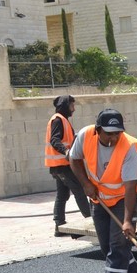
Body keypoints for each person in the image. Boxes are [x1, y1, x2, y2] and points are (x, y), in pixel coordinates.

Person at [70, 109, 137, 273]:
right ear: (98, 130)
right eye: (109, 133)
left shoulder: (127, 147)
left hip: (122, 199)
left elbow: (130, 186)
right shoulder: (85, 136)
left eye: (117, 133)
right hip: (99, 199)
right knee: (107, 248)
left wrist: (128, 220)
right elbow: (74, 159)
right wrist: (85, 184)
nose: (113, 137)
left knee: (118, 246)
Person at [45, 95, 92, 237]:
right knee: (81, 191)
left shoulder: (61, 119)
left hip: (58, 166)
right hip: (64, 165)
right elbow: (55, 139)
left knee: (62, 195)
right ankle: (93, 222)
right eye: (72, 106)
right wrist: (66, 151)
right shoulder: (58, 120)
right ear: (65, 106)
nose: (74, 109)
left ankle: (59, 225)